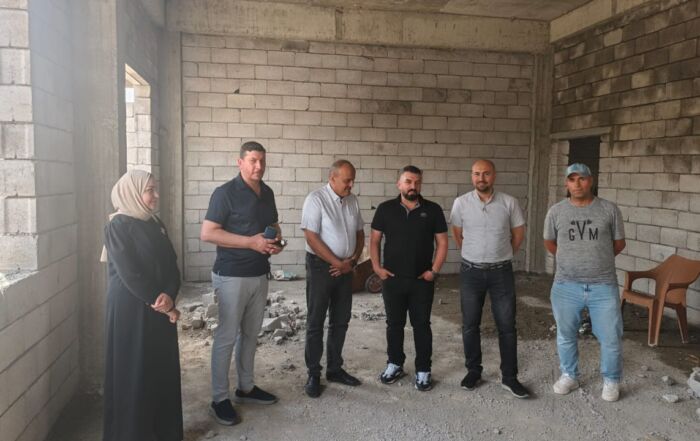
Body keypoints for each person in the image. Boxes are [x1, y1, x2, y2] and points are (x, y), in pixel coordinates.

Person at [200, 141, 282, 425]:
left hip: (259, 273)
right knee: (226, 336)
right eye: (253, 160)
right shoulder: (224, 193)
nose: (259, 166)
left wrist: (275, 242)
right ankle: (219, 399)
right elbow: (208, 233)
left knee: (250, 334)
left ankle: (245, 388)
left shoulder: (267, 192)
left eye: (262, 161)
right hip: (231, 274)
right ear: (240, 162)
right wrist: (250, 242)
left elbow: (273, 224)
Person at [102, 169, 183, 441]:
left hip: (159, 307)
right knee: (134, 370)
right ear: (133, 192)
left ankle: (162, 432)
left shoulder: (154, 222)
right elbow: (130, 274)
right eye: (150, 190)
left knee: (159, 369)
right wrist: (164, 304)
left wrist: (170, 293)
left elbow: (171, 264)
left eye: (155, 189)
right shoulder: (117, 226)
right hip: (131, 310)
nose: (155, 195)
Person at [543, 163, 626, 402]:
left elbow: (618, 244)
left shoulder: (609, 210)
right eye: (572, 179)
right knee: (566, 334)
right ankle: (570, 375)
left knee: (610, 337)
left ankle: (611, 380)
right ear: (566, 183)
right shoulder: (556, 211)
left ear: (591, 181)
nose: (577, 184)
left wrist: (597, 259)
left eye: (582, 178)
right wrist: (571, 259)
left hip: (603, 285)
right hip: (566, 285)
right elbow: (550, 242)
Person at [450, 159, 530, 399]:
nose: (481, 178)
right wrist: (475, 254)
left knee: (506, 326)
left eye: (485, 174)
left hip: (501, 273)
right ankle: (473, 371)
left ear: (494, 176)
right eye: (476, 174)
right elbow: (458, 234)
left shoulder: (509, 202)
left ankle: (509, 377)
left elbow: (518, 234)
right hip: (471, 272)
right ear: (471, 176)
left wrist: (501, 254)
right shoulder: (461, 203)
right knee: (470, 324)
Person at [370, 165, 448, 391]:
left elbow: (442, 242)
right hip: (392, 280)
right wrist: (377, 268)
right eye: (408, 181)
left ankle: (423, 369)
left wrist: (434, 271)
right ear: (399, 184)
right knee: (394, 324)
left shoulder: (433, 210)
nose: (413, 186)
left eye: (417, 182)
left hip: (421, 280)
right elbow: (374, 240)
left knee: (421, 325)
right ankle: (395, 364)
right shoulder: (385, 209)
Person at [300, 159, 365, 398]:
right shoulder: (316, 199)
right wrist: (337, 263)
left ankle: (335, 369)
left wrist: (352, 261)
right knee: (316, 321)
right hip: (321, 268)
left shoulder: (352, 201)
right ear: (332, 178)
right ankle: (313, 374)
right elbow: (311, 237)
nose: (351, 185)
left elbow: (360, 233)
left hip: (346, 268)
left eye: (353, 180)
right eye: (347, 180)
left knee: (340, 320)